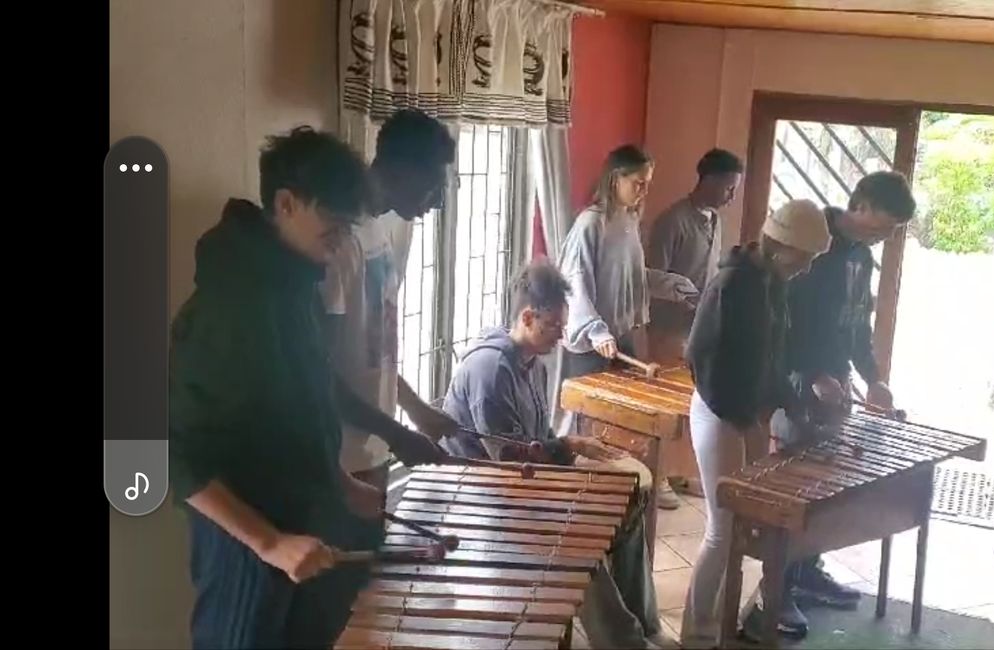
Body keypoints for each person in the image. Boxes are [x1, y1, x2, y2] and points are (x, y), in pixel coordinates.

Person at [169, 127, 383, 649]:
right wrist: (269, 543)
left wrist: (338, 479)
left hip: (303, 535)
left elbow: (299, 406)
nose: (338, 246)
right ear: (286, 203)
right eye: (332, 227)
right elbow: (171, 455)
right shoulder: (228, 307)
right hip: (248, 553)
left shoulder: (294, 288)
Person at [441, 261, 669, 650]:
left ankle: (645, 625)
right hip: (481, 492)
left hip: (520, 481)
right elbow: (507, 458)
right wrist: (572, 447)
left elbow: (541, 437)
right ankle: (623, 643)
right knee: (576, 540)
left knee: (626, 510)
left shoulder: (534, 363)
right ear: (528, 317)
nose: (561, 337)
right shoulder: (490, 369)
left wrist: (583, 458)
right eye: (555, 328)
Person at [767, 172, 917, 638]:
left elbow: (856, 326)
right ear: (861, 205)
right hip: (798, 381)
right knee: (790, 491)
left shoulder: (861, 257)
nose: (884, 237)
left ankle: (808, 570)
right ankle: (776, 590)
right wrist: (811, 376)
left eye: (891, 232)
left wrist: (874, 380)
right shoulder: (812, 239)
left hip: (837, 381)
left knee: (825, 487)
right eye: (881, 226)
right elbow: (783, 321)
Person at [678, 199, 832, 649]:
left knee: (748, 530)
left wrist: (794, 405)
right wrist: (743, 419)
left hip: (745, 415)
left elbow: (771, 360)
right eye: (804, 258)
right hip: (718, 409)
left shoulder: (772, 283)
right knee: (722, 531)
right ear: (782, 246)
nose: (805, 268)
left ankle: (730, 623)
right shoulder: (733, 283)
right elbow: (701, 358)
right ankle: (698, 635)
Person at [322, 109, 469, 499]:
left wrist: (415, 409)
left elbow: (375, 349)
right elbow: (319, 372)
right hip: (340, 461)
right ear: (402, 171)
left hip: (374, 451)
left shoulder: (379, 233)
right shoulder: (339, 243)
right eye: (435, 185)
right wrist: (397, 433)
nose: (438, 201)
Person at [557, 144, 695, 509]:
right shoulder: (591, 222)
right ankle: (577, 494)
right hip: (592, 344)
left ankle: (618, 495)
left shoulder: (629, 221)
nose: (644, 190)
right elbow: (574, 282)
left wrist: (670, 283)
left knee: (626, 425)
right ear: (615, 178)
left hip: (620, 338)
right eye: (638, 182)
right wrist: (595, 330)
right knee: (587, 424)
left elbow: (632, 278)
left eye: (648, 183)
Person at [645, 148, 744, 364]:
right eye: (729, 189)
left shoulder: (717, 221)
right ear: (709, 181)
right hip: (670, 334)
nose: (732, 197)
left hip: (702, 328)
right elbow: (652, 281)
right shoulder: (671, 222)